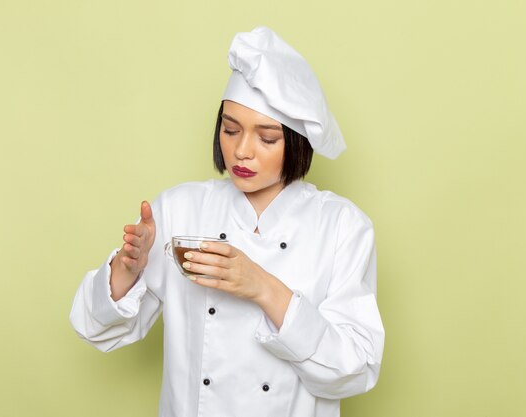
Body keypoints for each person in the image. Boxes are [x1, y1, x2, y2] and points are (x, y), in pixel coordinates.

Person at [70, 26, 384, 417]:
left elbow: (355, 370)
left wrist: (262, 287)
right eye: (230, 129)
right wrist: (126, 270)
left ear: (298, 141)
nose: (241, 151)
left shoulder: (343, 227)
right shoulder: (179, 209)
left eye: (267, 138)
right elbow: (93, 327)